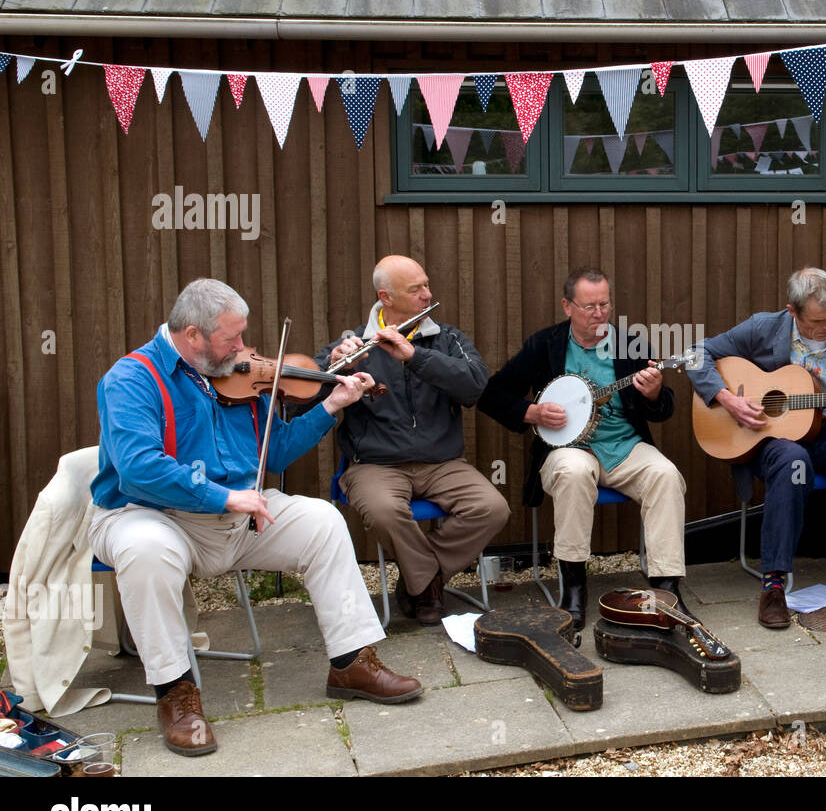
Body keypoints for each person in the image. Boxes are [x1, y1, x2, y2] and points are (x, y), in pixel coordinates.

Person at [90, 279, 420, 758]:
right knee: (146, 549)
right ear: (191, 335)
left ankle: (352, 663)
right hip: (149, 514)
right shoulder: (131, 379)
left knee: (322, 522)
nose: (243, 350)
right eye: (231, 339)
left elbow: (277, 450)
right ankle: (176, 694)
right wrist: (224, 496)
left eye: (242, 336)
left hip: (234, 517)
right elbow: (139, 469)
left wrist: (332, 405)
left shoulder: (237, 373)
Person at [688, 268, 826, 629]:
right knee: (793, 460)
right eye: (819, 321)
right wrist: (728, 399)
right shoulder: (763, 328)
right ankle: (773, 584)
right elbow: (695, 354)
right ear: (792, 311)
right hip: (771, 437)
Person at [478, 267, 690, 634]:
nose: (599, 313)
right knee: (574, 473)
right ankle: (574, 588)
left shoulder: (631, 345)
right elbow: (492, 395)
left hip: (623, 445)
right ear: (567, 306)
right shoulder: (544, 346)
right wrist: (533, 412)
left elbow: (663, 410)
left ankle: (666, 591)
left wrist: (654, 392)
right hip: (567, 448)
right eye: (589, 305)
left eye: (604, 304)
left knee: (666, 475)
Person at [317, 256, 509, 625]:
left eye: (426, 285)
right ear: (386, 297)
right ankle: (428, 586)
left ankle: (418, 581)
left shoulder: (448, 338)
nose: (428, 294)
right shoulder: (353, 343)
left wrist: (416, 356)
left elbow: (476, 387)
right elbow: (301, 400)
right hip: (375, 464)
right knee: (386, 512)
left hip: (442, 462)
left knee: (492, 508)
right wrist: (334, 366)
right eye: (416, 289)